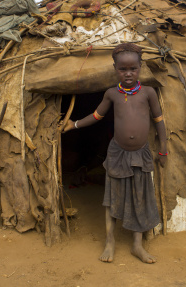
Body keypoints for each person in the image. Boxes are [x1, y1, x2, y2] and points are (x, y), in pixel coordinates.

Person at [63, 43, 167, 264]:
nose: (128, 74)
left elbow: (159, 121)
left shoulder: (148, 93)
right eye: (123, 69)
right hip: (118, 153)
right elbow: (97, 116)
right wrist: (75, 125)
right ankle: (109, 241)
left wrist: (164, 149)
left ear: (140, 68)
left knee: (139, 197)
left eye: (133, 69)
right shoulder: (112, 94)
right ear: (115, 68)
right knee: (112, 198)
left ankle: (137, 245)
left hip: (141, 153)